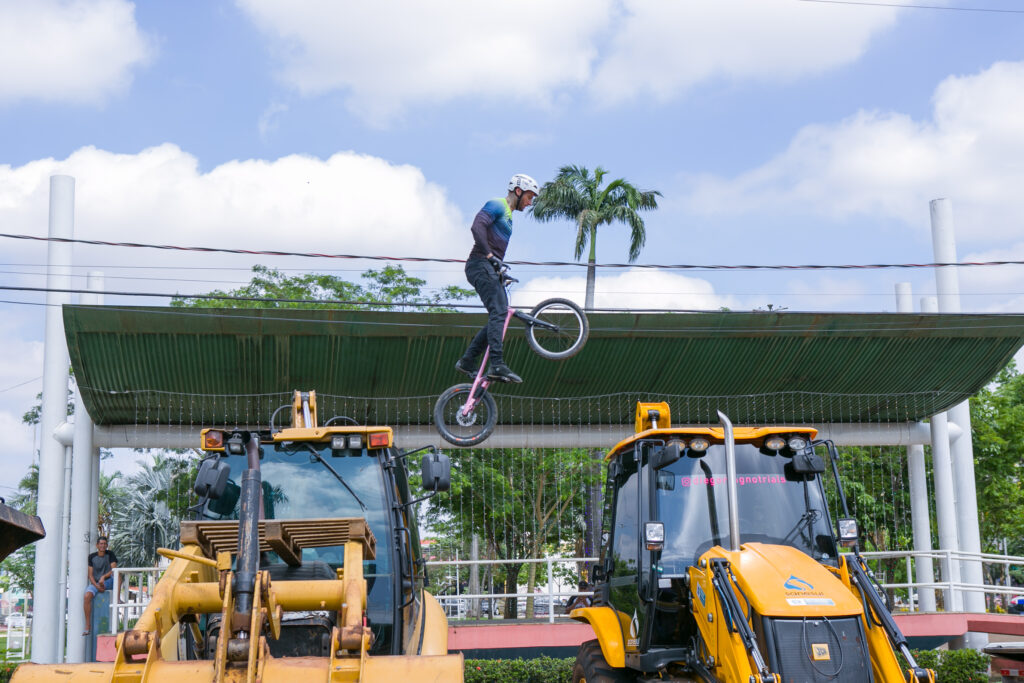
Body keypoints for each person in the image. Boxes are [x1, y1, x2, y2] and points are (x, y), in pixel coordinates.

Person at [455, 173, 540, 384]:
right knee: (499, 312)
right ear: (518, 191)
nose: (530, 203)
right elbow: (477, 227)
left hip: (488, 267)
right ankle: (497, 364)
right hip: (478, 263)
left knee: (500, 316)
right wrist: (491, 257)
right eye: (529, 197)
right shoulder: (497, 204)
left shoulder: (509, 218)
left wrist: (499, 270)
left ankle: (467, 360)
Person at [82, 536, 118, 635]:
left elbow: (114, 570)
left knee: (119, 575)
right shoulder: (91, 557)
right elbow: (90, 575)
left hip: (108, 580)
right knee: (87, 596)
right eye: (101, 544)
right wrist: (96, 585)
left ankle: (117, 598)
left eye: (104, 544)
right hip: (96, 583)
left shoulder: (110, 554)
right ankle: (87, 625)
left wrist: (103, 577)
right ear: (97, 545)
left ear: (107, 545)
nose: (103, 546)